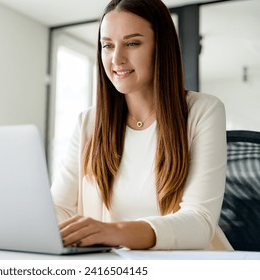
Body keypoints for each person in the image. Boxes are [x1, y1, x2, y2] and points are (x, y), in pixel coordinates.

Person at [50, 0, 233, 250]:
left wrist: (115, 232)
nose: (116, 59)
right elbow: (59, 207)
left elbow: (199, 221)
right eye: (107, 45)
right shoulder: (89, 123)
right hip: (119, 266)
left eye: (132, 43)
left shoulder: (203, 111)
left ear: (161, 47)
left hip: (190, 264)